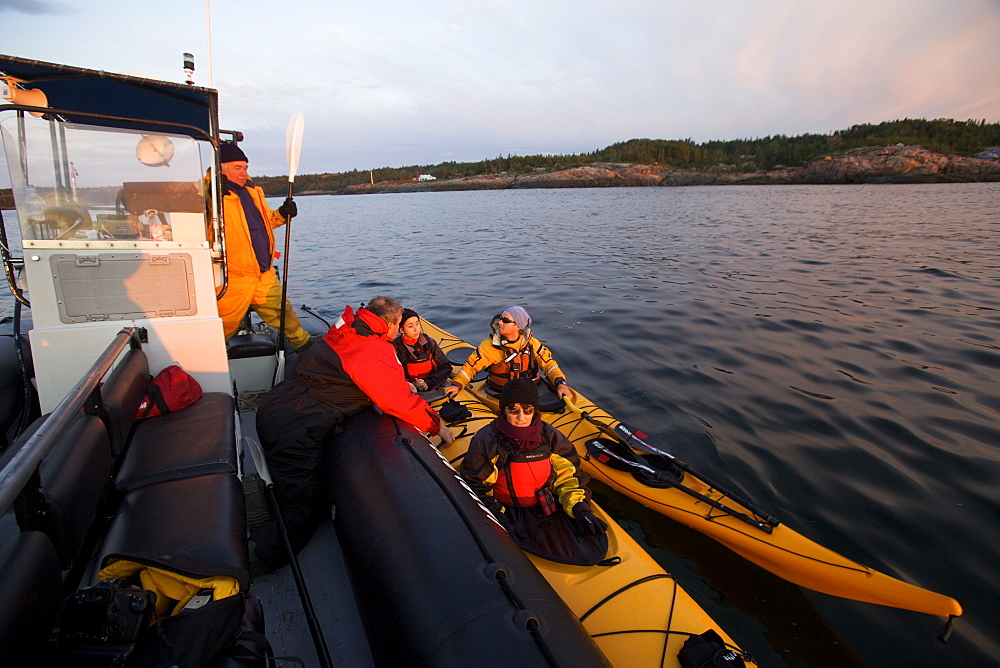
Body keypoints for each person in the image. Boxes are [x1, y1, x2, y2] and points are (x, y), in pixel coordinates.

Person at [251, 296, 456, 573]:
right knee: (302, 508)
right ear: (393, 324)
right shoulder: (373, 351)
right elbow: (397, 402)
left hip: (279, 407)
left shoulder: (345, 331)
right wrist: (436, 426)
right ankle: (250, 561)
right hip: (296, 426)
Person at [460, 378, 608, 566]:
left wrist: (580, 507)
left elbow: (569, 475)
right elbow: (476, 485)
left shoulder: (549, 435)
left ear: (534, 411)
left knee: (589, 544)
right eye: (513, 410)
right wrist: (496, 516)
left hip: (547, 505)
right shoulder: (487, 439)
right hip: (511, 511)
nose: (521, 417)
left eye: (527, 410)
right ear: (504, 411)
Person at [215, 141, 312, 350]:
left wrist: (282, 214)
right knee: (221, 325)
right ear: (221, 168)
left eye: (245, 168)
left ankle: (304, 347)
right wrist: (211, 192)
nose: (243, 173)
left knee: (284, 313)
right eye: (237, 168)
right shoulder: (210, 194)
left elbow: (265, 222)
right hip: (233, 277)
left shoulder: (252, 191)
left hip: (263, 273)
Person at [442, 306, 574, 401]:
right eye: (500, 319)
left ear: (518, 326)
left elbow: (549, 364)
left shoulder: (532, 343)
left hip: (530, 389)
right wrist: (457, 385)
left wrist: (560, 383)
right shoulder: (489, 346)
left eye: (505, 320)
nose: (499, 322)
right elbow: (470, 368)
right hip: (501, 393)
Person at [393, 308, 453, 394]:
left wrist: (427, 383)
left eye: (417, 324)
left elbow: (445, 366)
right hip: (410, 388)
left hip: (433, 384)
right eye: (410, 326)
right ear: (401, 330)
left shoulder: (428, 343)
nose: (416, 329)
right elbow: (393, 375)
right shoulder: (396, 347)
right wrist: (410, 384)